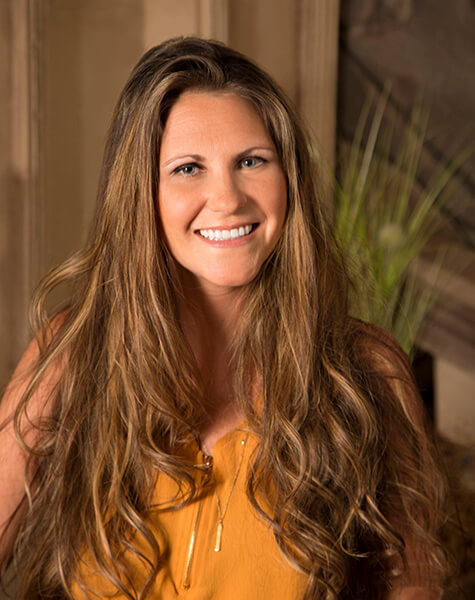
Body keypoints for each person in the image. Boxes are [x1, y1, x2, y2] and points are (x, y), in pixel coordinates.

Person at [0, 37, 447, 600]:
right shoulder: (71, 351)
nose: (228, 197)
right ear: (143, 194)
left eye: (251, 162)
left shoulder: (365, 372)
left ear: (289, 181)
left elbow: (415, 586)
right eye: (188, 168)